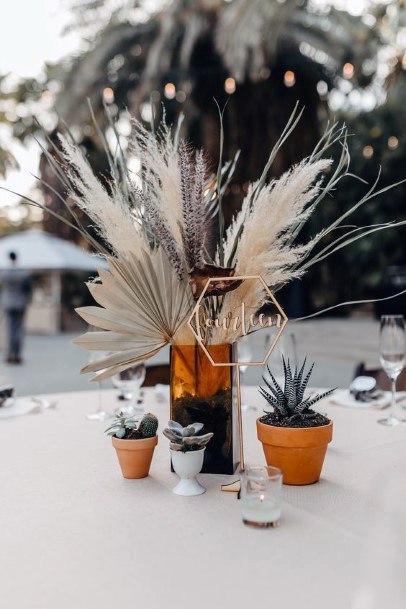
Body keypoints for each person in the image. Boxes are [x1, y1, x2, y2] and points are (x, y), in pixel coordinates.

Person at [0, 251, 32, 364]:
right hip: (20, 303)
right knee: (18, 329)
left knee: (10, 329)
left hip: (7, 303)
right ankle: (17, 355)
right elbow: (28, 290)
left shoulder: (4, 273)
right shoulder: (24, 274)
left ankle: (10, 355)